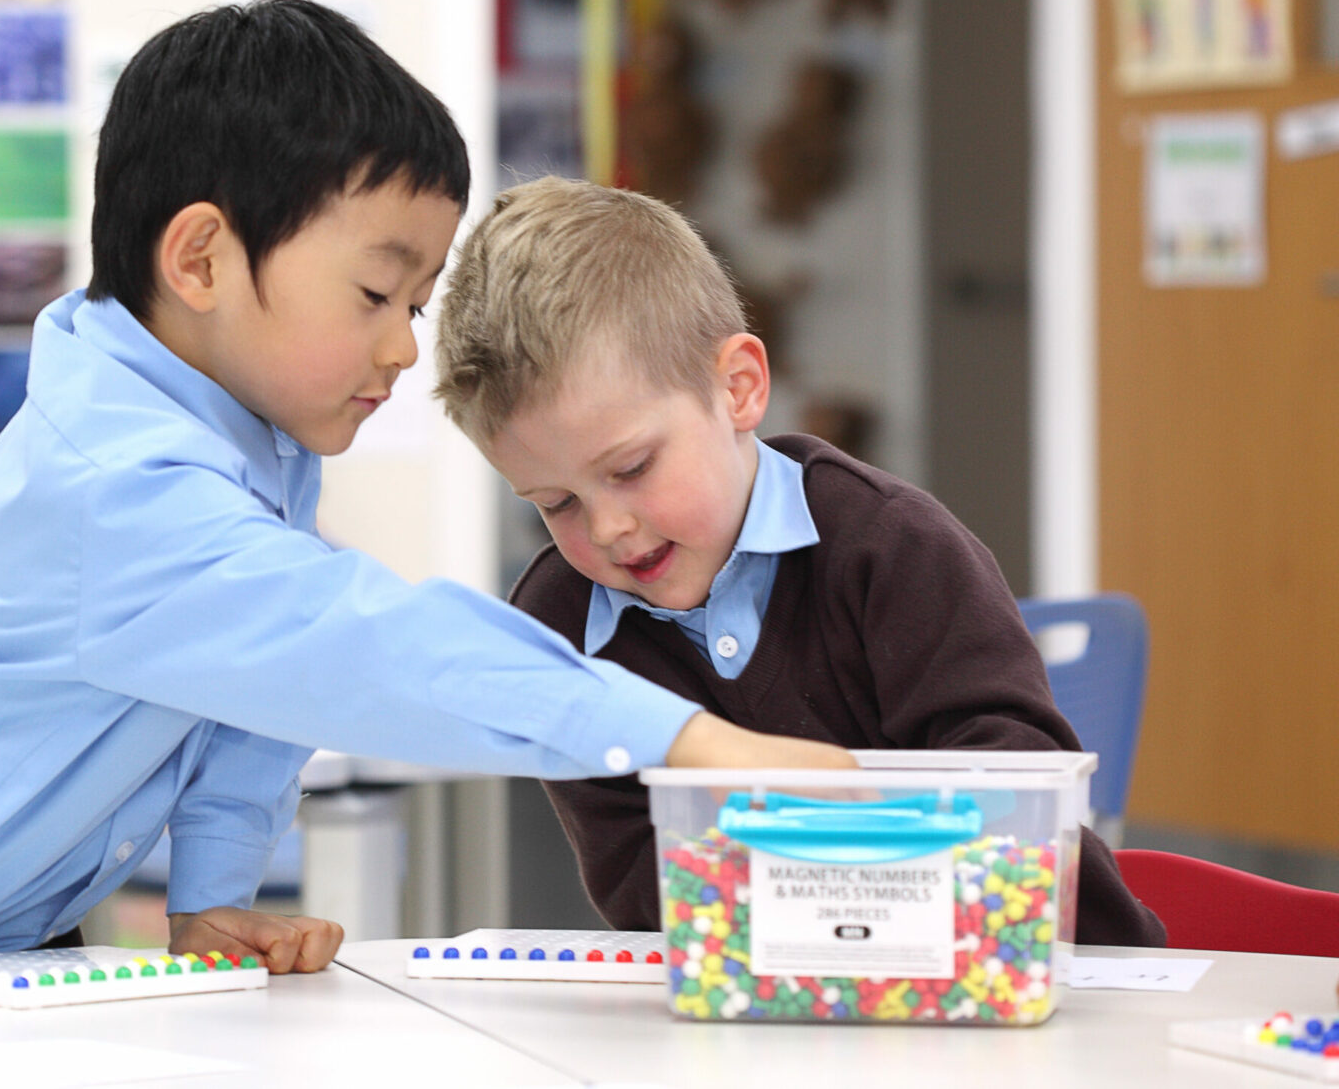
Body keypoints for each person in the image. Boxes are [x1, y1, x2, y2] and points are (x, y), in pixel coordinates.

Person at [0, 0, 851, 979]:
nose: (403, 348)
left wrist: (212, 890)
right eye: (377, 294)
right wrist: (681, 738)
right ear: (200, 260)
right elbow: (355, 647)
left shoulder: (246, 442)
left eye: (420, 304)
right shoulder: (118, 483)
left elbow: (250, 694)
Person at [431, 175, 1166, 946]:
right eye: (556, 504)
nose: (609, 527)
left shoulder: (892, 547)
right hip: (782, 1001)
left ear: (739, 388)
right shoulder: (558, 621)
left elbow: (1017, 784)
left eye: (632, 468)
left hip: (1051, 978)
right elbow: (640, 880)